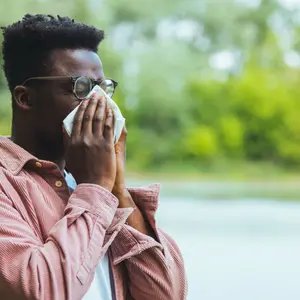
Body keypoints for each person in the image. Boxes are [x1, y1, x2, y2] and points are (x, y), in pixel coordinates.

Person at [0, 14, 187, 300]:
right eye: (81, 88)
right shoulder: (7, 182)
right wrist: (96, 187)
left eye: (103, 88)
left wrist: (117, 188)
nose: (100, 102)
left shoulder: (91, 181)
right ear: (25, 98)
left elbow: (165, 294)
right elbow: (42, 292)